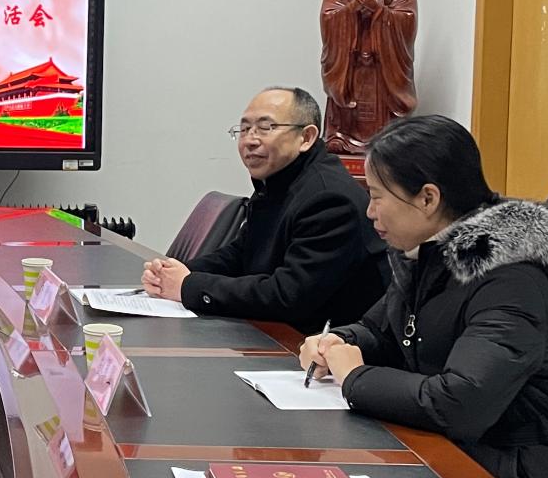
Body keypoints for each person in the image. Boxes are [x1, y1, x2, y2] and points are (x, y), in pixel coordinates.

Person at [300, 114, 548, 478]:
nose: (369, 211)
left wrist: (355, 377)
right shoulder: (428, 254)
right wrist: (338, 342)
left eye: (376, 196)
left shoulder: (509, 279)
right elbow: (382, 330)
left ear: (428, 198)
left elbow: (460, 402)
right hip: (467, 458)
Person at [142, 87, 388, 332]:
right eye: (245, 129)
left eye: (265, 128)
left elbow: (288, 296)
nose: (250, 140)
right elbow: (242, 254)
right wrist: (176, 273)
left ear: (306, 137)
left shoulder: (328, 199)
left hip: (321, 344)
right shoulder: (279, 180)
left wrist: (189, 286)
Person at [319, 0, 418, 155]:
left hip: (383, 65)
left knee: (386, 131)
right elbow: (328, 17)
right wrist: (352, 9)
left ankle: (386, 141)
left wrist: (379, 11)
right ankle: (342, 136)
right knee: (346, 110)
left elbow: (407, 19)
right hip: (350, 65)